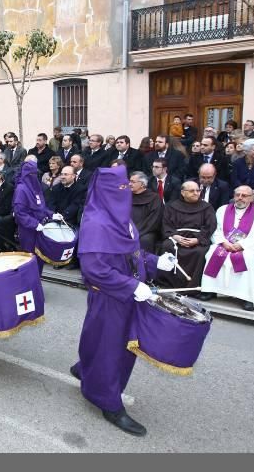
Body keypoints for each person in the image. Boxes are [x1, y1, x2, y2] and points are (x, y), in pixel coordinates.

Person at [70, 167, 176, 437]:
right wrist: (132, 286)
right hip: (111, 296)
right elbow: (95, 269)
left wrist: (155, 262)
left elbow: (134, 253)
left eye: (126, 187)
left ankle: (85, 369)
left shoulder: (122, 217)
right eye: (118, 188)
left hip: (129, 293)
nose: (124, 193)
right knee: (112, 348)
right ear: (104, 191)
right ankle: (109, 402)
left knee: (103, 340)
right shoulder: (96, 223)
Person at [201, 186, 254, 311]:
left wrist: (242, 245)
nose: (240, 198)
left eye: (244, 196)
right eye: (237, 195)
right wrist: (223, 242)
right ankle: (211, 290)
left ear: (251, 198)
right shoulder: (222, 210)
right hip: (225, 244)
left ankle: (247, 296)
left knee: (247, 257)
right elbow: (215, 229)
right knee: (212, 252)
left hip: (250, 247)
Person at [159, 181, 217, 289]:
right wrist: (174, 236)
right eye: (191, 191)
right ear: (183, 192)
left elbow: (210, 225)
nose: (196, 193)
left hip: (197, 238)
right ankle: (169, 284)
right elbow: (165, 224)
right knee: (167, 246)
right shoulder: (172, 206)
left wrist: (198, 239)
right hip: (176, 237)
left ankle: (193, 286)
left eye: (198, 190)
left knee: (200, 252)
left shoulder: (206, 207)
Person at [13, 161, 55, 274]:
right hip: (28, 230)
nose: (34, 177)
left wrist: (51, 214)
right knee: (30, 258)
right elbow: (20, 212)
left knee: (39, 257)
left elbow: (40, 206)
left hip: (39, 228)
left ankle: (36, 281)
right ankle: (29, 284)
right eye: (31, 174)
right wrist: (34, 224)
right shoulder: (21, 189)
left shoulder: (35, 187)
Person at [129, 171, 162, 254]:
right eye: (129, 181)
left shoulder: (154, 198)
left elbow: (154, 220)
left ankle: (142, 266)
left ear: (142, 184)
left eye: (133, 182)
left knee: (145, 240)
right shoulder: (126, 196)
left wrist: (136, 232)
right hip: (127, 229)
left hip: (146, 231)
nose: (129, 184)